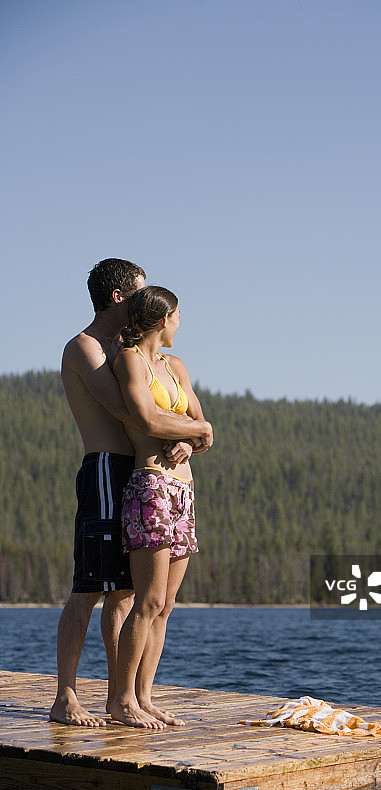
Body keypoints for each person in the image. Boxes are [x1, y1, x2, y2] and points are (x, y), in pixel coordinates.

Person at [51, 259, 213, 728]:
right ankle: (65, 696)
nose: (149, 304)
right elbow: (133, 413)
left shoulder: (137, 354)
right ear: (121, 298)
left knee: (127, 595)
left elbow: (161, 410)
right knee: (90, 589)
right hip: (109, 468)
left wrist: (188, 435)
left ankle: (124, 697)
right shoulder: (87, 348)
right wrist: (198, 427)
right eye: (142, 295)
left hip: (149, 474)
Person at [108, 286, 208, 728]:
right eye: (178, 315)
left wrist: (190, 437)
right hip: (150, 484)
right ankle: (121, 699)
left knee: (165, 605)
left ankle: (145, 696)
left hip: (183, 491)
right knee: (144, 601)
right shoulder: (130, 358)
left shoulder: (176, 366)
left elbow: (199, 426)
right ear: (162, 319)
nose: (181, 323)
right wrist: (195, 429)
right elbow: (146, 418)